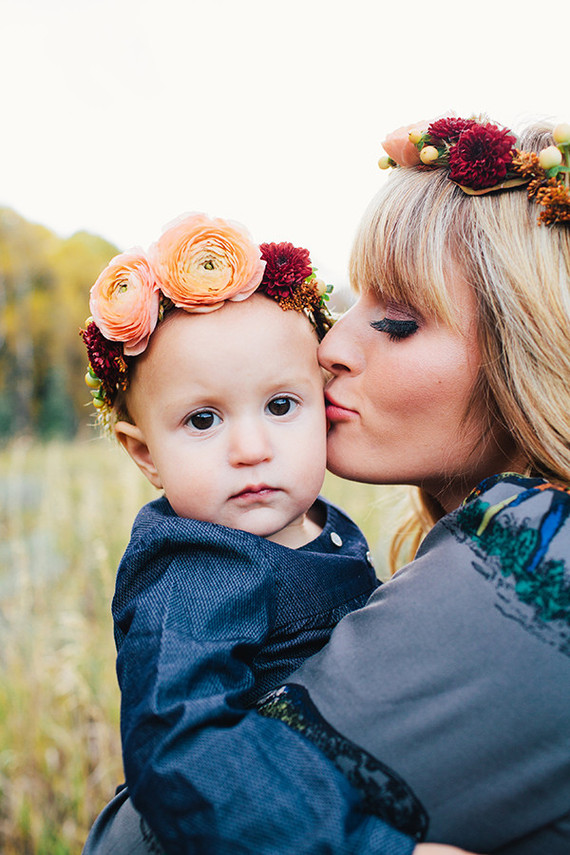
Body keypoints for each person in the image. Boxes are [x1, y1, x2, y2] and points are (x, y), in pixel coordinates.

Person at [85, 116, 570, 855]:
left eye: (398, 320)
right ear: (140, 451)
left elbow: (135, 843)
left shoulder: (539, 558)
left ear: (529, 356)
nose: (333, 344)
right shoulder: (216, 555)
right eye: (350, 305)